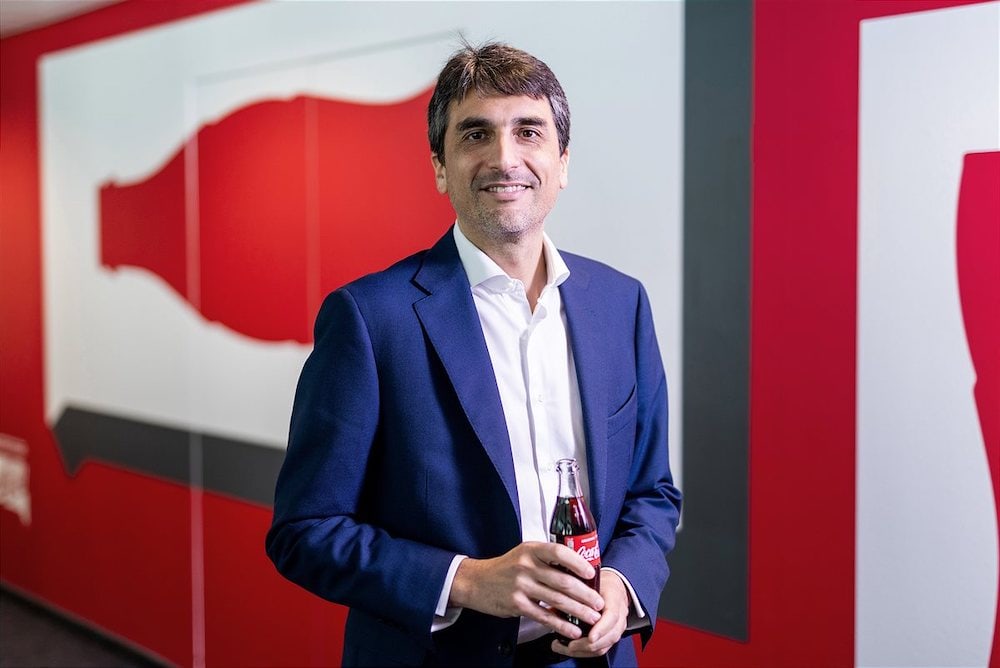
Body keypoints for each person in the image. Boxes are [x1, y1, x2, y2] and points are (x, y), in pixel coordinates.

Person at [266, 42, 682, 667]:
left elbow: (653, 493)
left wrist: (625, 587)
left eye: (529, 132)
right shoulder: (370, 319)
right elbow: (306, 530)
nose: (504, 158)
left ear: (562, 162)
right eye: (476, 134)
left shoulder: (621, 304)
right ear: (441, 167)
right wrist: (463, 581)